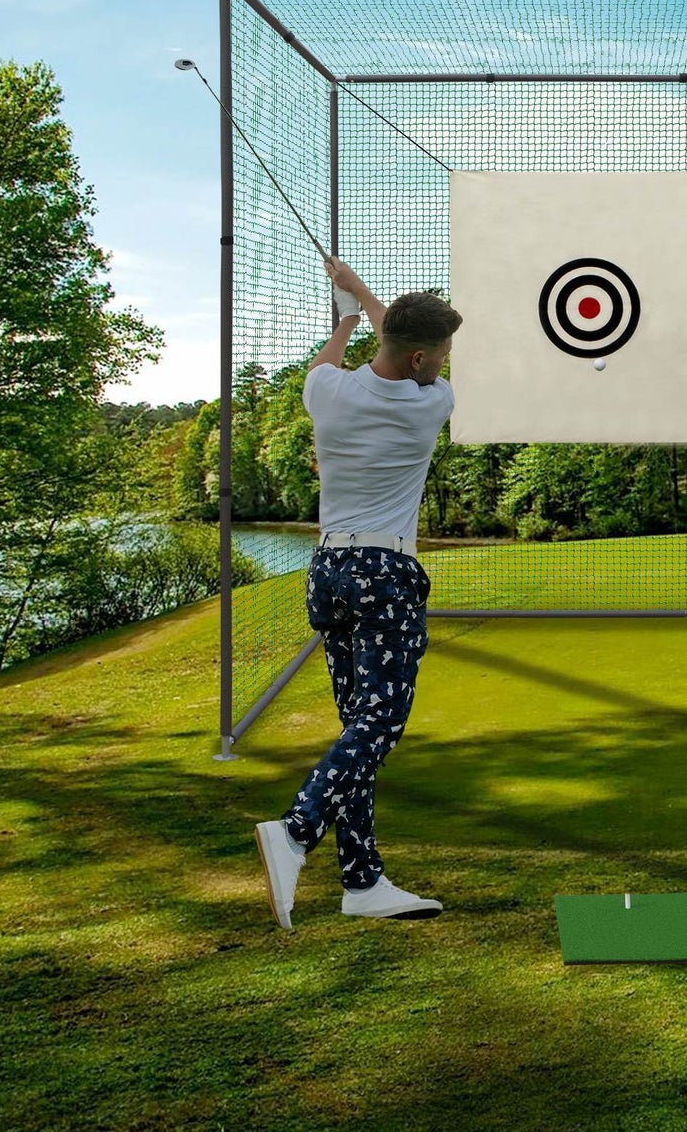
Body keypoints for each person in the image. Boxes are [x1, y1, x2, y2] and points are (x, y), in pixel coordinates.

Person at [255, 256, 462, 930]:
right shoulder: (431, 402)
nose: (445, 363)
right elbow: (394, 337)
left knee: (358, 728)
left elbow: (374, 345)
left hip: (328, 571)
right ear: (423, 358)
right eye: (443, 353)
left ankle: (362, 879)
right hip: (384, 575)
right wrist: (361, 293)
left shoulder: (325, 390)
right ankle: (295, 831)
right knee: (381, 723)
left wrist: (345, 311)